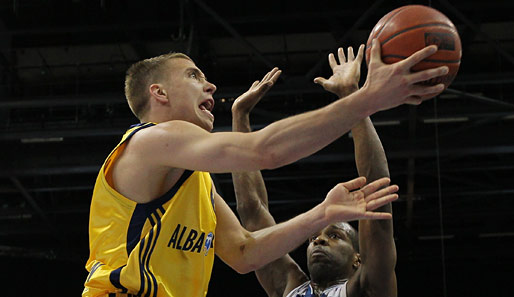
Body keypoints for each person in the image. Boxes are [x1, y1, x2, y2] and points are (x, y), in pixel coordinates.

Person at [82, 39, 446, 297]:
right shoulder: (149, 141)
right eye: (193, 76)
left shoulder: (198, 182)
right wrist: (368, 98)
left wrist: (321, 214)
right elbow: (266, 151)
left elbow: (244, 253)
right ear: (159, 94)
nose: (209, 84)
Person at [232, 45, 397, 297]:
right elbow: (252, 211)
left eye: (335, 236)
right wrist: (240, 117)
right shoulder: (289, 286)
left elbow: (377, 197)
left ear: (357, 259)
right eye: (312, 239)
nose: (318, 241)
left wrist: (352, 98)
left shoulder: (366, 287)